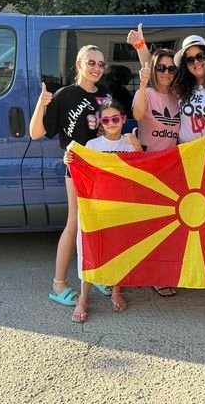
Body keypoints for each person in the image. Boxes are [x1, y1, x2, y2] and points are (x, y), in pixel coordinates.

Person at [29, 45, 112, 307]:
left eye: (101, 63)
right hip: (77, 167)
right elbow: (36, 133)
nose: (97, 68)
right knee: (74, 222)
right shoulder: (65, 95)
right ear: (79, 64)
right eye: (91, 62)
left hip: (103, 167)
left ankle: (97, 274)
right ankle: (58, 284)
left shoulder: (106, 95)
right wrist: (41, 105)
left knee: (100, 224)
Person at [64, 100, 143, 322]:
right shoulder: (92, 145)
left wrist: (138, 147)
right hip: (96, 208)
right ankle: (83, 298)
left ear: (123, 119)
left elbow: (143, 171)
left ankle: (117, 291)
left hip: (122, 207)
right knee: (90, 250)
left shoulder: (130, 144)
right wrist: (69, 160)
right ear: (100, 122)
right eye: (106, 120)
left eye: (115, 119)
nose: (111, 123)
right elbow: (79, 168)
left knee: (119, 250)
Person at [131, 44, 181, 297]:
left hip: (172, 169)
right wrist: (142, 84)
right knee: (152, 226)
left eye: (171, 69)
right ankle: (155, 275)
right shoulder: (147, 93)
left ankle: (163, 272)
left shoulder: (177, 96)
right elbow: (137, 113)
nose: (166, 72)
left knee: (168, 226)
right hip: (148, 168)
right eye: (161, 67)